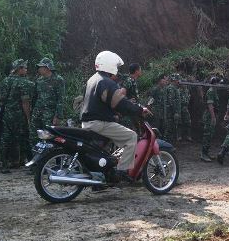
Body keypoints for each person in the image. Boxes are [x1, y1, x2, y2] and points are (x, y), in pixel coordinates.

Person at [79, 51, 150, 182]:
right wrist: (140, 110)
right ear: (110, 65)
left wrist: (114, 114)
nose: (117, 70)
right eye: (116, 66)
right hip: (98, 123)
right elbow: (121, 103)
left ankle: (102, 175)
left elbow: (101, 102)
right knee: (131, 137)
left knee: (106, 147)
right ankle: (121, 172)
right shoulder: (106, 82)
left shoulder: (93, 79)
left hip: (88, 122)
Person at [0, 59, 34, 172]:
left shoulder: (5, 81)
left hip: (7, 113)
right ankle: (32, 164)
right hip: (19, 115)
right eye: (25, 68)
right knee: (24, 138)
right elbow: (25, 102)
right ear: (20, 69)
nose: (26, 70)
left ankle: (4, 164)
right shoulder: (25, 82)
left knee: (5, 138)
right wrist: (28, 118)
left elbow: (0, 97)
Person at [30, 58, 66, 145]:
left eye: (40, 67)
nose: (38, 69)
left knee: (49, 136)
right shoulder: (39, 80)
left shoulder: (58, 80)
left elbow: (61, 99)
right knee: (33, 135)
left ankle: (50, 156)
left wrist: (58, 116)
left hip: (50, 114)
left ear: (47, 68)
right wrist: (32, 111)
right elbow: (35, 97)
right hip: (37, 113)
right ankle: (34, 156)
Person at [200, 76, 220, 162]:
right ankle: (203, 154)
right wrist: (213, 117)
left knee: (210, 135)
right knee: (207, 135)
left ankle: (207, 152)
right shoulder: (211, 91)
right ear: (215, 83)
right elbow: (210, 105)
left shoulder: (214, 91)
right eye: (218, 83)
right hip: (209, 116)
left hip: (211, 115)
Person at [119, 63, 142, 129]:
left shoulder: (133, 80)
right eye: (140, 69)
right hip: (129, 114)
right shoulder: (129, 81)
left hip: (134, 112)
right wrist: (128, 101)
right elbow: (121, 94)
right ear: (136, 71)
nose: (141, 71)